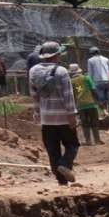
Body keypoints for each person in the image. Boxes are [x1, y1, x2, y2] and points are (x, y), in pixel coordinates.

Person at [28, 41, 79, 184]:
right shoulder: (62, 71)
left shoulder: (33, 71)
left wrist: (37, 113)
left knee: (52, 150)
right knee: (73, 145)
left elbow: (34, 95)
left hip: (46, 118)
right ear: (57, 55)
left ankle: (61, 182)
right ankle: (65, 164)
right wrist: (72, 115)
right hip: (62, 117)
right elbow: (68, 95)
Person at [71, 64, 102, 145]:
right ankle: (97, 140)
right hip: (91, 104)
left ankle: (88, 140)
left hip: (80, 105)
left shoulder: (71, 82)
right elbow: (93, 90)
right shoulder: (86, 78)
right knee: (94, 121)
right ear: (79, 70)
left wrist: (74, 107)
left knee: (85, 123)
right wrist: (99, 101)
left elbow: (72, 95)